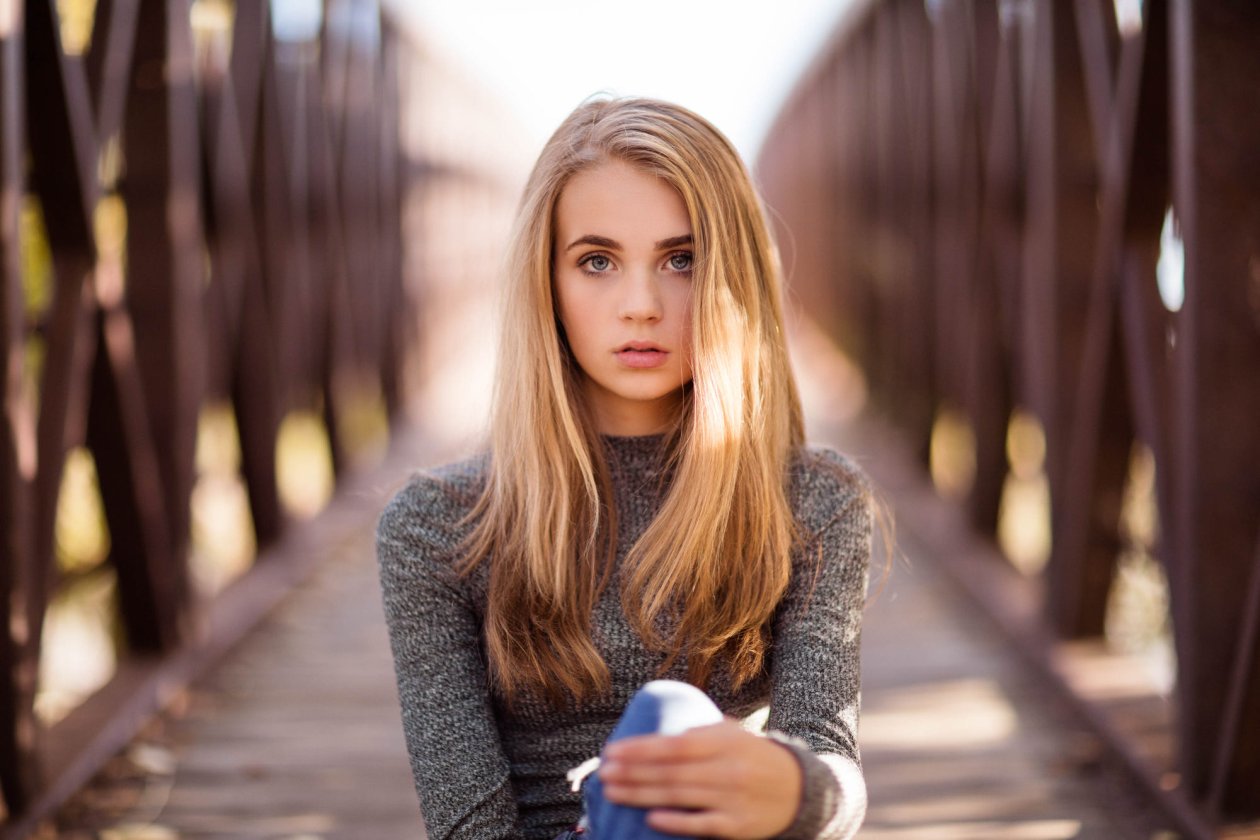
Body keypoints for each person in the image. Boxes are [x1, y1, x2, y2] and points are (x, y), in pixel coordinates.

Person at [376, 96, 871, 840]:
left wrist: (798, 789)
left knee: (671, 719)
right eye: (597, 261)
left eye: (682, 260)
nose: (640, 305)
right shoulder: (437, 528)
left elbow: (832, 764)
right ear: (546, 283)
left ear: (731, 274)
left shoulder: (814, 502)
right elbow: (468, 827)